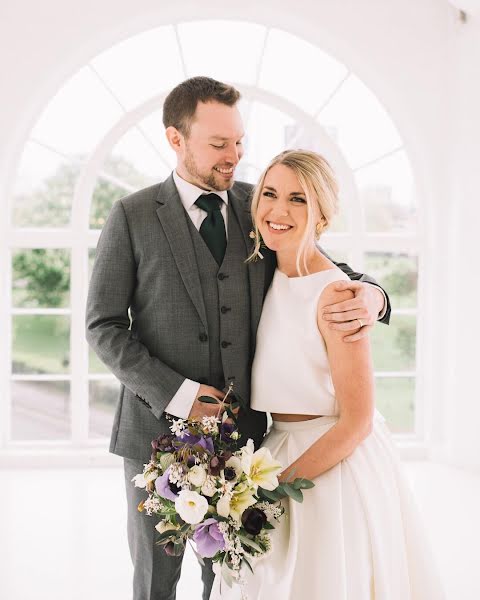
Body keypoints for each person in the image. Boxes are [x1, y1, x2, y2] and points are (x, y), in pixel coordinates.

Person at [85, 77, 390, 600]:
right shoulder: (131, 216)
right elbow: (103, 326)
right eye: (219, 144)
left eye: (240, 141)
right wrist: (178, 394)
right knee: (155, 579)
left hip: (246, 438)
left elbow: (324, 270)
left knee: (232, 578)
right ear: (176, 139)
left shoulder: (262, 205)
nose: (236, 155)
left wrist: (375, 295)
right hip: (154, 435)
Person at [210, 150, 444, 600]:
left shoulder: (337, 295)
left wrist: (277, 488)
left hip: (330, 466)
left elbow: (357, 420)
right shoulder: (266, 271)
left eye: (298, 199)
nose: (279, 211)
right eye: (270, 194)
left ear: (322, 214)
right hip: (273, 449)